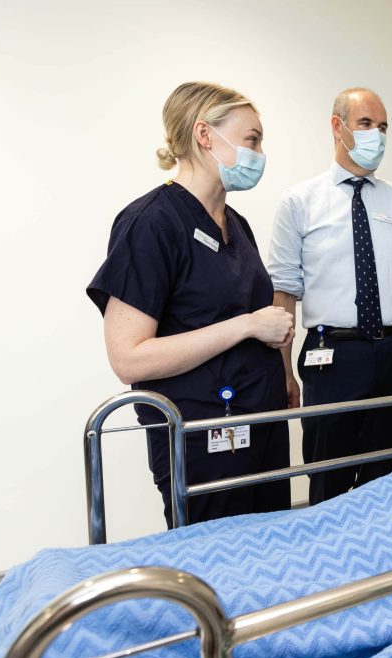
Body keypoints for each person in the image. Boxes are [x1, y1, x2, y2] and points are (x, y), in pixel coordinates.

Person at [87, 82, 294, 526]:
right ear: (205, 136)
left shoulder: (236, 225)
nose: (260, 152)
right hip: (204, 435)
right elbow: (129, 358)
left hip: (263, 422)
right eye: (252, 139)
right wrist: (246, 326)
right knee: (216, 565)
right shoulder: (151, 223)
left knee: (276, 554)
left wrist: (282, 375)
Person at [268, 87, 392, 505]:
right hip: (332, 356)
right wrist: (284, 371)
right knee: (328, 476)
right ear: (337, 127)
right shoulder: (300, 202)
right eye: (366, 124)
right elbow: (283, 293)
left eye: (383, 127)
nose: (377, 134)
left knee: (384, 471)